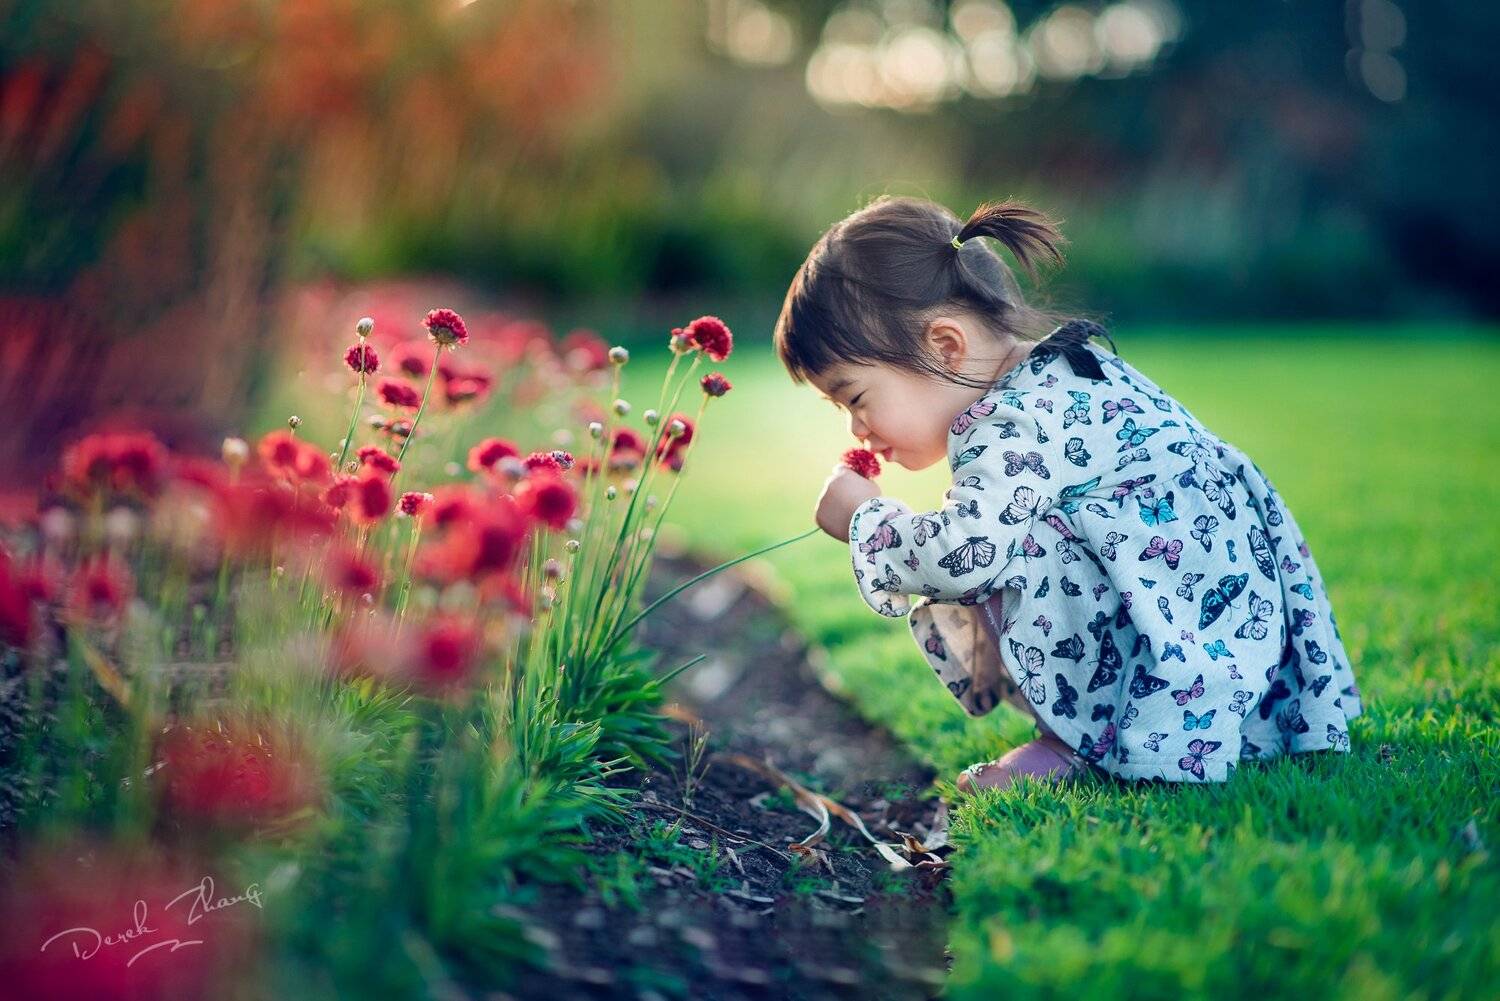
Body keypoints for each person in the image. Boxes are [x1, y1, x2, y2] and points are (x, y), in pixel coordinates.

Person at [773, 195, 1361, 792]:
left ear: (945, 347)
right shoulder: (1067, 366)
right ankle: (1135, 727)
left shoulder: (1010, 424)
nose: (856, 429)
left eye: (856, 398)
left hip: (1179, 607)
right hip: (1219, 606)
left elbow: (961, 557)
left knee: (1001, 550)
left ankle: (1083, 743)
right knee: (1024, 533)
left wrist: (864, 519)